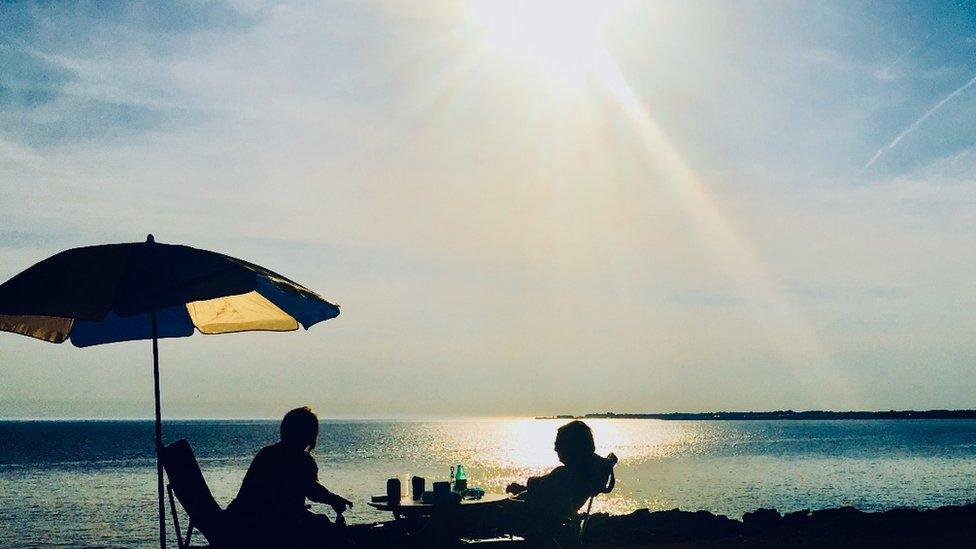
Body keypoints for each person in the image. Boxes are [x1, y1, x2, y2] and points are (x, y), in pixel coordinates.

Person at [226, 406, 353, 548]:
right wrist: (333, 500)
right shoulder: (301, 461)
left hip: (242, 522)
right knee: (325, 528)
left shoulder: (266, 454)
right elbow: (311, 490)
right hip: (269, 525)